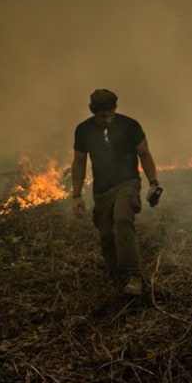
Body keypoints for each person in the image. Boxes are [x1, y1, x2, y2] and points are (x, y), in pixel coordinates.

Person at [71, 88, 160, 296]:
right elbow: (79, 162)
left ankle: (134, 275)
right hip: (102, 190)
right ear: (93, 111)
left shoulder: (130, 125)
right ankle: (115, 271)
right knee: (106, 234)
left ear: (115, 108)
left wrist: (153, 183)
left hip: (127, 183)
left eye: (110, 112)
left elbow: (144, 154)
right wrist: (76, 195)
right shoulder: (83, 130)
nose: (107, 117)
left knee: (122, 220)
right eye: (102, 114)